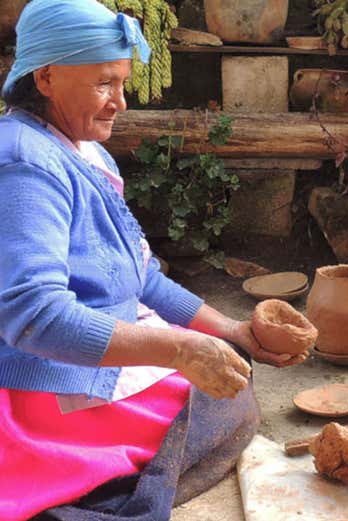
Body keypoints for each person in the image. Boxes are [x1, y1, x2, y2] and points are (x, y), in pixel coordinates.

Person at [0, 1, 306, 519]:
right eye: (103, 84)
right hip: (44, 382)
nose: (120, 102)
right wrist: (180, 349)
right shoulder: (24, 166)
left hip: (90, 352)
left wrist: (231, 331)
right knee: (218, 400)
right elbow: (34, 317)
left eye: (122, 83)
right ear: (46, 77)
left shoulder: (82, 149)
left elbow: (140, 277)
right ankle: (60, 469)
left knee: (230, 373)